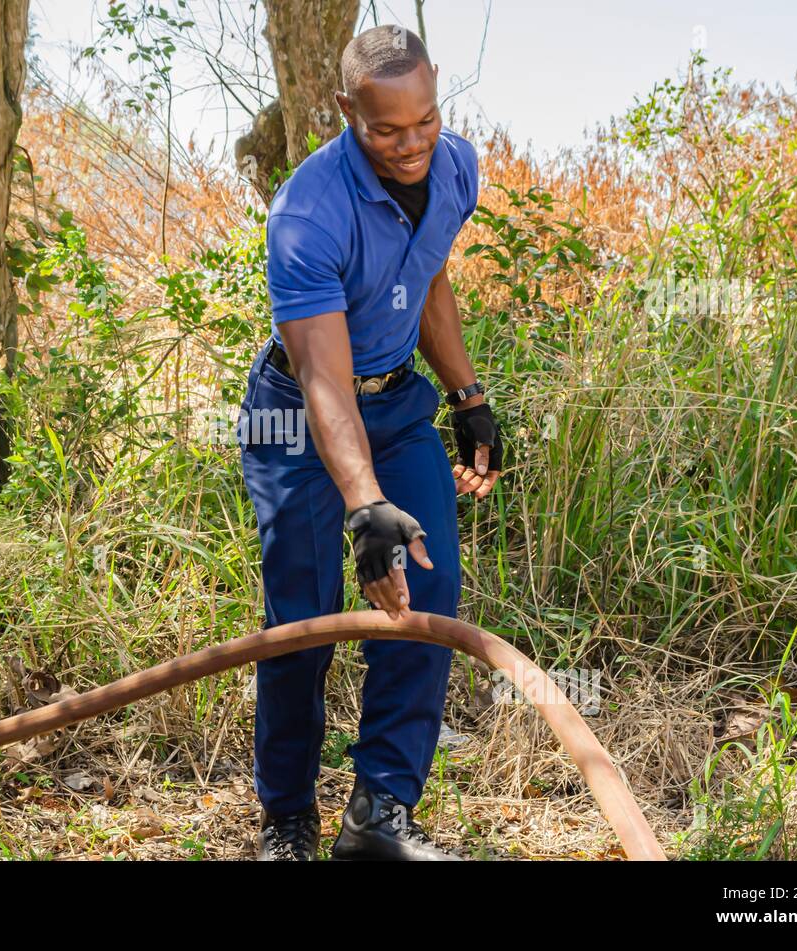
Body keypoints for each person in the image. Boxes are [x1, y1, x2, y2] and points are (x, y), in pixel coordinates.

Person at [237, 23, 504, 861]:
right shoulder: (307, 213)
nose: (412, 144)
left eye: (424, 120)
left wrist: (468, 397)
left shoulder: (454, 164)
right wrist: (365, 505)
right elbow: (322, 380)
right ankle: (287, 819)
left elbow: (426, 279)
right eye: (387, 130)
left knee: (428, 596)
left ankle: (379, 813)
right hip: (296, 413)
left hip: (395, 405)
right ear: (346, 108)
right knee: (305, 619)